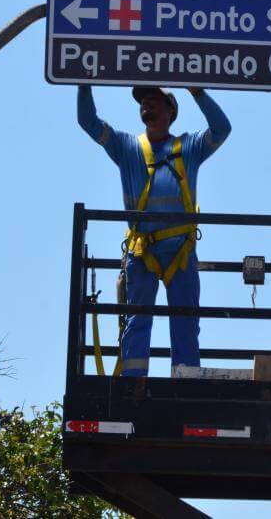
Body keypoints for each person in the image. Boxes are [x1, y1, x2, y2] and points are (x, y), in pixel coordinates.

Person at [77, 85, 231, 377]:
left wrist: (198, 92)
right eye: (143, 101)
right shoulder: (126, 147)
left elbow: (222, 128)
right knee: (137, 321)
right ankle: (133, 384)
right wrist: (84, 83)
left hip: (180, 252)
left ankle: (185, 381)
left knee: (185, 321)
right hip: (142, 251)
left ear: (171, 111)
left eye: (154, 100)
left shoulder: (190, 147)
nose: (146, 103)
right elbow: (88, 121)